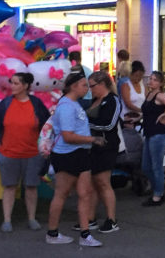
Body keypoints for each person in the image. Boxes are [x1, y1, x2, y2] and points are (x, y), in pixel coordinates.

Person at [45, 74, 107, 247]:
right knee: (62, 193)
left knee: (85, 193)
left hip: (80, 154)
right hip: (67, 155)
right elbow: (68, 136)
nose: (87, 88)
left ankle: (85, 234)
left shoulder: (74, 104)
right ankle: (52, 232)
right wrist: (92, 140)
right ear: (72, 86)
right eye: (83, 85)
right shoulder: (66, 106)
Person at [0, 72, 50, 233]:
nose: (12, 86)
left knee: (31, 187)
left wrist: (44, 147)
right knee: (9, 187)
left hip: (32, 154)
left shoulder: (36, 104)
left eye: (16, 83)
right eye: (12, 82)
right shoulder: (5, 104)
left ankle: (31, 218)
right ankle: (7, 220)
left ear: (25, 86)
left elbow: (46, 126)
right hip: (8, 154)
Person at [79, 72, 123, 233]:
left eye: (92, 86)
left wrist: (86, 125)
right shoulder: (94, 101)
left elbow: (109, 125)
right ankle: (90, 218)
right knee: (92, 183)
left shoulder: (113, 100)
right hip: (92, 146)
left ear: (102, 84)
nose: (90, 90)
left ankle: (111, 219)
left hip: (106, 146)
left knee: (103, 182)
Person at [140, 71, 165, 206]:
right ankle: (158, 189)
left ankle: (158, 194)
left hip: (158, 134)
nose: (151, 81)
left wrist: (164, 115)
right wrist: (138, 118)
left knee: (156, 166)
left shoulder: (160, 96)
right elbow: (147, 112)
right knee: (146, 167)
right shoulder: (149, 95)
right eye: (151, 79)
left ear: (161, 83)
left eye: (155, 80)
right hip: (149, 132)